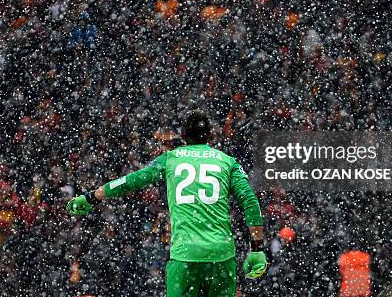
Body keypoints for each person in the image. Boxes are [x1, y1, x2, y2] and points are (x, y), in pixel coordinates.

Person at [67, 110, 268, 296]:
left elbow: (131, 181)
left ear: (182, 136)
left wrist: (92, 196)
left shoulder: (171, 159)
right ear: (210, 135)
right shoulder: (227, 161)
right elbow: (250, 201)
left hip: (185, 256)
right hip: (221, 256)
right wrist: (257, 248)